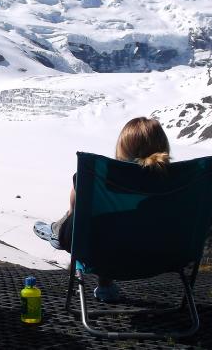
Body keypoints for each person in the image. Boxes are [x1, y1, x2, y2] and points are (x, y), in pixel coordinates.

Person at [33, 117, 171, 302]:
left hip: (101, 251)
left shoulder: (100, 176)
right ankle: (105, 286)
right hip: (160, 256)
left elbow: (78, 208)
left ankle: (58, 231)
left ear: (123, 148)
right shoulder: (182, 179)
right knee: (122, 227)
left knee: (99, 222)